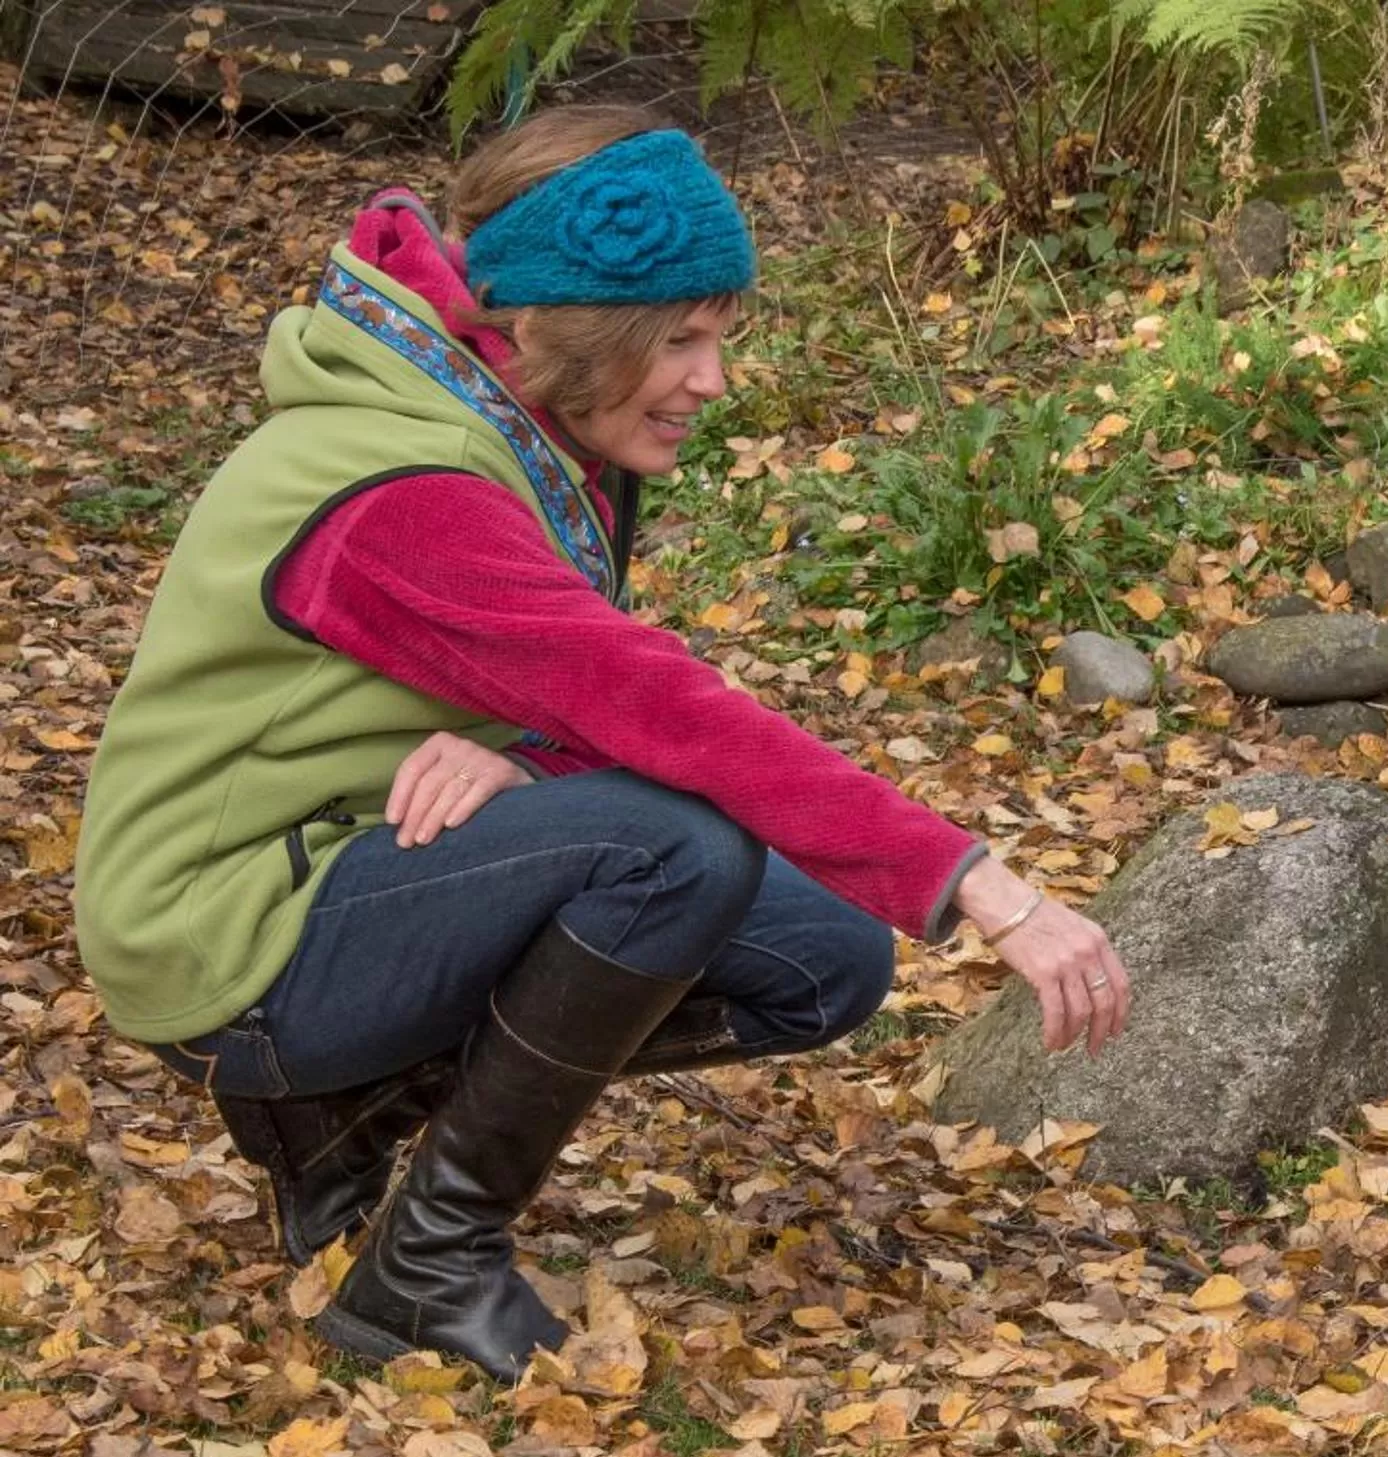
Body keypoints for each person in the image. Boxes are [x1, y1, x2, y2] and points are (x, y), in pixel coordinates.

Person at [71, 105, 1130, 1384]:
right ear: (563, 333)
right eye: (678, 341)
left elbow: (555, 687)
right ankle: (426, 1267)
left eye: (717, 337)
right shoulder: (401, 486)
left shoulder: (522, 424)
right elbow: (654, 706)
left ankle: (341, 1106)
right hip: (225, 924)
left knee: (824, 959)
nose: (712, 381)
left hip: (361, 855)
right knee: (669, 853)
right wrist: (985, 891)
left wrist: (524, 756)